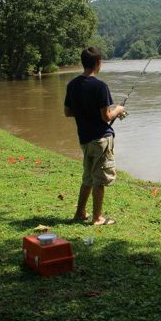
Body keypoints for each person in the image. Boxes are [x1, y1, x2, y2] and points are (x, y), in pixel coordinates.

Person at [64, 47, 126, 226]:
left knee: (88, 178)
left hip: (84, 139)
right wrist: (118, 110)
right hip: (101, 140)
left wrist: (85, 112)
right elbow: (106, 116)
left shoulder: (72, 85)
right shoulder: (100, 86)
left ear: (83, 63)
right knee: (99, 179)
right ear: (98, 63)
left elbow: (67, 112)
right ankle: (97, 218)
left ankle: (80, 212)